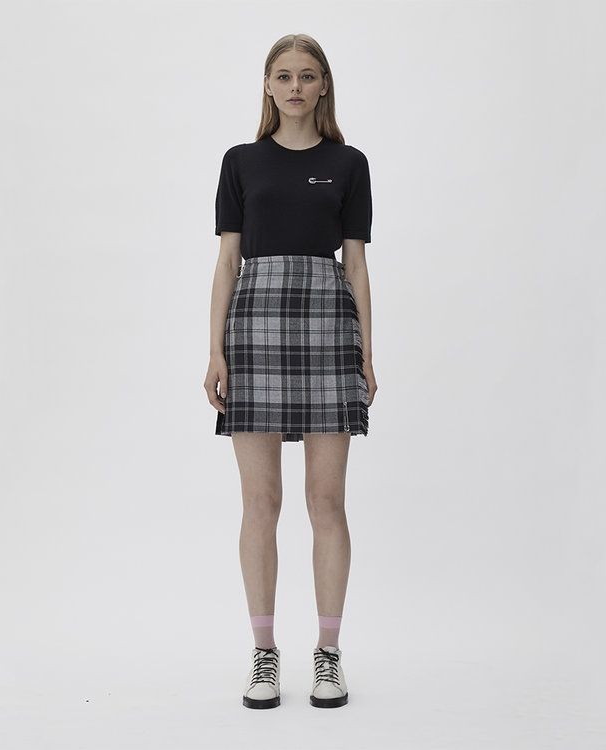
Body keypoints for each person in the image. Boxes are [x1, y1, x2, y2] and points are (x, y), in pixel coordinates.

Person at [204, 33, 377, 710]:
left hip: (328, 326)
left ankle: (328, 655)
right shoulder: (241, 162)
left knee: (326, 502)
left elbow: (356, 263)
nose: (296, 87)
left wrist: (366, 351)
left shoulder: (349, 163)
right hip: (254, 327)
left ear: (324, 84)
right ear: (268, 85)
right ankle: (264, 654)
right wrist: (215, 350)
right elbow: (228, 260)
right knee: (262, 503)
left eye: (307, 75)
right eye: (284, 76)